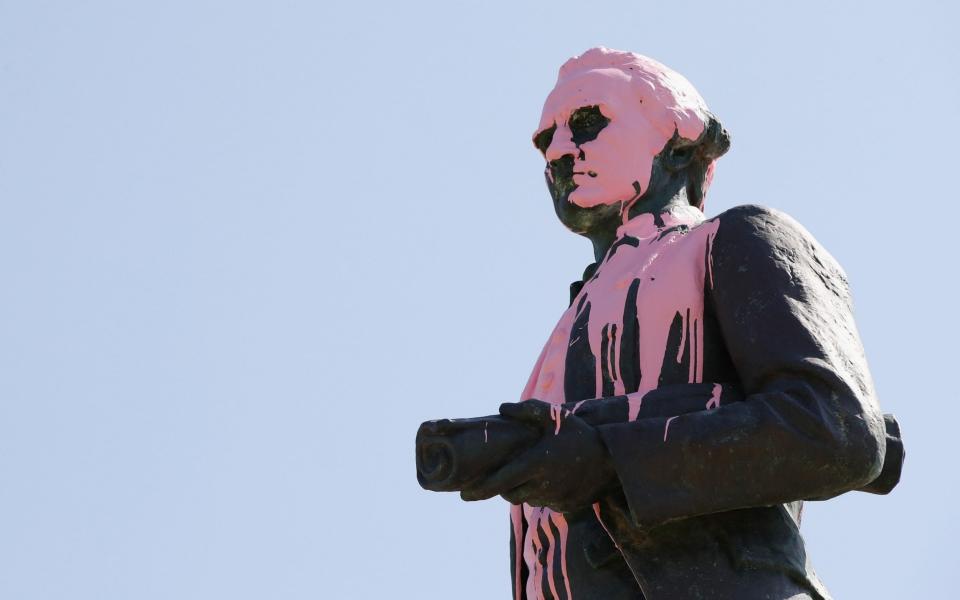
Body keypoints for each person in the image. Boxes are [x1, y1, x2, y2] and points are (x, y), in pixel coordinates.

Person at [456, 47, 898, 600]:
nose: (560, 153)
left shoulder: (736, 240)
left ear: (676, 140)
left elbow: (838, 431)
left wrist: (608, 459)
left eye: (588, 124)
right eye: (547, 141)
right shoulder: (567, 325)